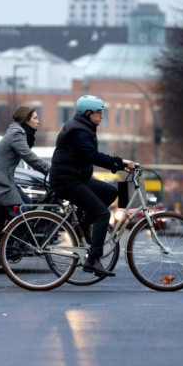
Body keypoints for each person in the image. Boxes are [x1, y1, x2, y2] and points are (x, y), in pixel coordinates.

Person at [49, 95, 135, 277]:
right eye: (99, 112)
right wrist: (120, 163)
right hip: (67, 181)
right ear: (88, 113)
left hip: (77, 178)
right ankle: (93, 259)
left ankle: (83, 223)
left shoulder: (83, 127)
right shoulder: (78, 131)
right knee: (102, 214)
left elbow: (90, 155)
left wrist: (119, 163)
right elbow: (92, 156)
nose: (101, 116)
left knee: (110, 191)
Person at [0, 106, 51, 253]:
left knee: (27, 206)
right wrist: (52, 169)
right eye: (35, 118)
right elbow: (29, 157)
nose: (38, 121)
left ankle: (8, 243)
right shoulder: (17, 133)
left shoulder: (19, 132)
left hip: (1, 179)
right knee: (19, 213)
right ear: (26, 119)